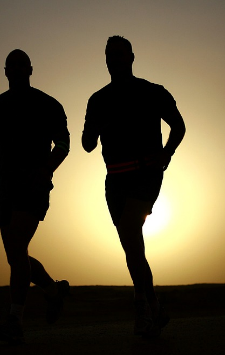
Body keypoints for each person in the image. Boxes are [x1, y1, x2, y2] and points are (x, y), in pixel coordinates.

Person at [82, 36, 186, 338]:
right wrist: (95, 129)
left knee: (130, 230)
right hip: (114, 179)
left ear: (131, 57)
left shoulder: (153, 92)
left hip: (146, 174)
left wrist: (166, 154)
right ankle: (156, 307)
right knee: (132, 246)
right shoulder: (97, 100)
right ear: (105, 60)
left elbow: (178, 125)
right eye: (108, 55)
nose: (113, 59)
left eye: (118, 54)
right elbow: (88, 145)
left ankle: (140, 305)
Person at [0, 49, 71, 344]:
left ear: (31, 69)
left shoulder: (47, 104)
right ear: (5, 71)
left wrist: (46, 170)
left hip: (35, 186)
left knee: (17, 247)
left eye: (21, 65)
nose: (16, 69)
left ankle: (15, 320)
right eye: (11, 65)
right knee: (16, 255)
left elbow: (64, 144)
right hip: (8, 189)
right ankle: (54, 292)